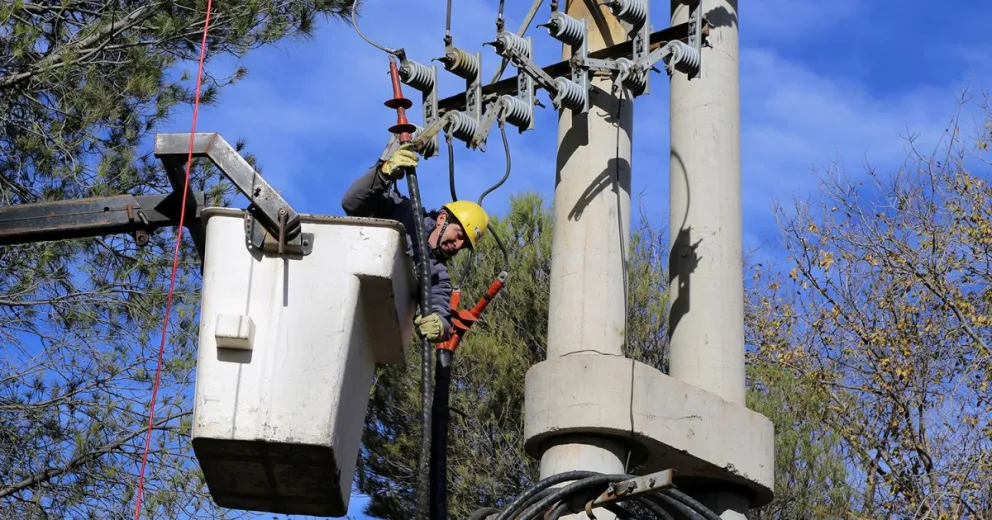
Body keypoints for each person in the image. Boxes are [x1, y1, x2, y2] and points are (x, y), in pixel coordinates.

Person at [341, 143, 489, 343]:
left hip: (367, 324)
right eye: (459, 234)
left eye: (464, 244)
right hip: (342, 280)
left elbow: (440, 307)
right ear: (443, 219)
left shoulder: (437, 275)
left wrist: (439, 324)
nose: (458, 244)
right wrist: (384, 174)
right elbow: (352, 203)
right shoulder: (405, 212)